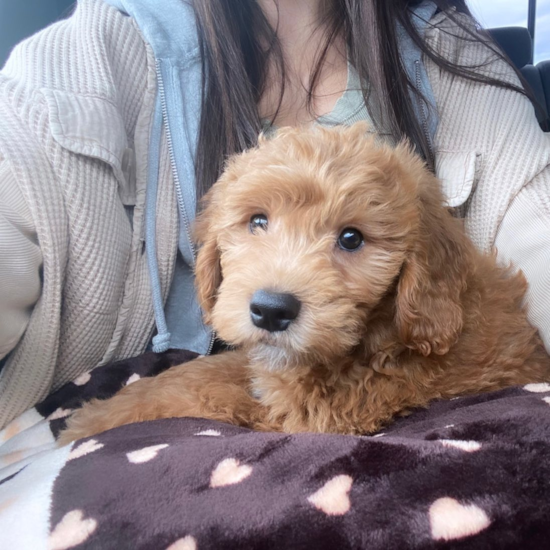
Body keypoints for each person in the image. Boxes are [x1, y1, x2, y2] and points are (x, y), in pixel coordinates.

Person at [0, 0, 548, 429]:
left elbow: (537, 223)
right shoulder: (93, 51)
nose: (282, 273)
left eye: (350, 238)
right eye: (258, 222)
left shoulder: (454, 57)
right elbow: (16, 172)